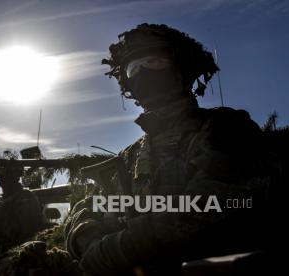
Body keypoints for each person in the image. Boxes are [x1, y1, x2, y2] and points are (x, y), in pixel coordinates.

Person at [65, 23, 272, 275]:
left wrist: (112, 250)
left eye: (153, 62)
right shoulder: (129, 156)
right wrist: (86, 238)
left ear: (179, 69)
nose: (142, 72)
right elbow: (87, 208)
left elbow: (207, 209)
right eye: (133, 68)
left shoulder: (225, 128)